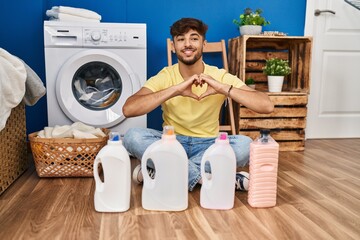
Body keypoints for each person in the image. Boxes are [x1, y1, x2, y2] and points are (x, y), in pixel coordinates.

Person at [122, 18, 274, 192]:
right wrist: (175, 90)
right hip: (171, 142)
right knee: (132, 136)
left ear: (204, 44)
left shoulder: (219, 76)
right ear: (174, 46)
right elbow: (128, 109)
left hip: (209, 145)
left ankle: (162, 170)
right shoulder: (164, 76)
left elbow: (266, 106)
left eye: (194, 38)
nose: (187, 44)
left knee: (245, 145)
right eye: (181, 39)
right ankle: (206, 178)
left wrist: (222, 88)